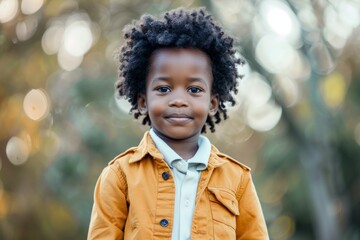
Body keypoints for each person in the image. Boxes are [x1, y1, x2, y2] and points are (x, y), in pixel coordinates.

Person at [88, 7, 268, 240]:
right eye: (163, 89)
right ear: (143, 101)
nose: (179, 101)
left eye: (194, 90)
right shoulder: (119, 176)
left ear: (213, 103)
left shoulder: (238, 180)